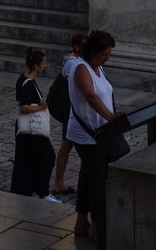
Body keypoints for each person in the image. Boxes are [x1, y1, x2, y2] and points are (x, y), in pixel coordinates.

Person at [67, 30, 121, 241]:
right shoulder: (81, 67)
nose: (107, 58)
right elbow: (90, 95)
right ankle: (96, 226)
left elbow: (103, 93)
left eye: (109, 53)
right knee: (97, 179)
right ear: (93, 52)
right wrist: (111, 118)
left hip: (99, 134)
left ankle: (81, 221)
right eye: (104, 54)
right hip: (87, 135)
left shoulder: (97, 67)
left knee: (87, 176)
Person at [11, 46, 60, 201]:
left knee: (26, 160)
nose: (45, 66)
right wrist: (41, 107)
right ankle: (42, 192)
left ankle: (25, 189)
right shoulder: (29, 84)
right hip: (32, 129)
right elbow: (24, 107)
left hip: (24, 129)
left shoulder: (23, 79)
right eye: (43, 64)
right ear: (36, 66)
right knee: (48, 157)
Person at [50, 33, 86, 197]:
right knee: (72, 145)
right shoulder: (72, 64)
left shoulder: (80, 63)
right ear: (77, 47)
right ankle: (59, 183)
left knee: (68, 144)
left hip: (77, 112)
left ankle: (59, 182)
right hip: (74, 114)